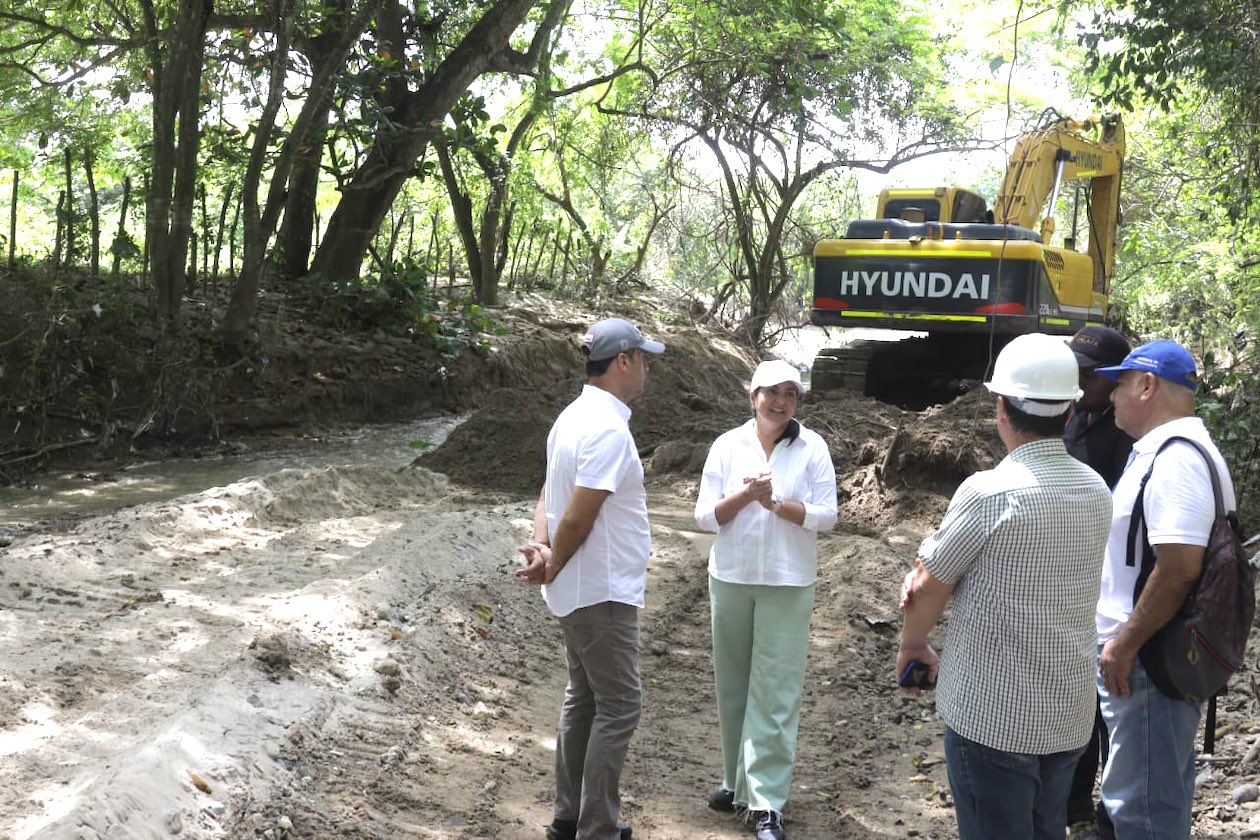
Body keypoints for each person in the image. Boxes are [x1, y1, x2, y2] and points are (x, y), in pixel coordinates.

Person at [897, 333, 1112, 840]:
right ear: (1069, 410)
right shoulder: (1096, 489)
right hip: (1066, 712)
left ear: (1000, 408)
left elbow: (929, 584)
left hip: (995, 717)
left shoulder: (990, 491)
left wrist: (913, 645)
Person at [516, 317, 665, 840]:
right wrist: (551, 557)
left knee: (585, 696)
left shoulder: (573, 416)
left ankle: (568, 817)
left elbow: (547, 494)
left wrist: (542, 547)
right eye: (643, 357)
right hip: (598, 590)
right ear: (622, 361)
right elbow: (578, 514)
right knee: (621, 704)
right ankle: (596, 828)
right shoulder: (606, 427)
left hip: (577, 587)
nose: (647, 366)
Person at [1093, 339, 1235, 840]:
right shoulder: (1164, 452)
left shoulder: (1175, 461)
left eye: (1121, 385)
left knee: (1143, 808)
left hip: (1149, 660)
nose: (1112, 397)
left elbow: (1178, 569)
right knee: (1149, 792)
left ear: (1147, 385)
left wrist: (1124, 644)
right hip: (1150, 656)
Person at [693, 359, 837, 840]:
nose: (780, 402)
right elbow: (704, 517)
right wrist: (745, 497)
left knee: (774, 693)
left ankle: (767, 801)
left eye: (790, 394)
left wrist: (776, 505)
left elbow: (828, 515)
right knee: (732, 685)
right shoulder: (726, 445)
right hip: (730, 576)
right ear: (752, 396)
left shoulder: (812, 446)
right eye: (771, 392)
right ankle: (736, 783)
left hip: (786, 581)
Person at [1063, 325, 1135, 833]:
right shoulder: (1071, 422)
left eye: (1088, 374)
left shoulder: (1128, 439)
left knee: (1110, 709)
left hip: (1113, 594)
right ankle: (1074, 807)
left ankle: (1111, 812)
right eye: (1073, 371)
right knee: (1076, 705)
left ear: (1114, 382)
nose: (1078, 381)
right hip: (1071, 585)